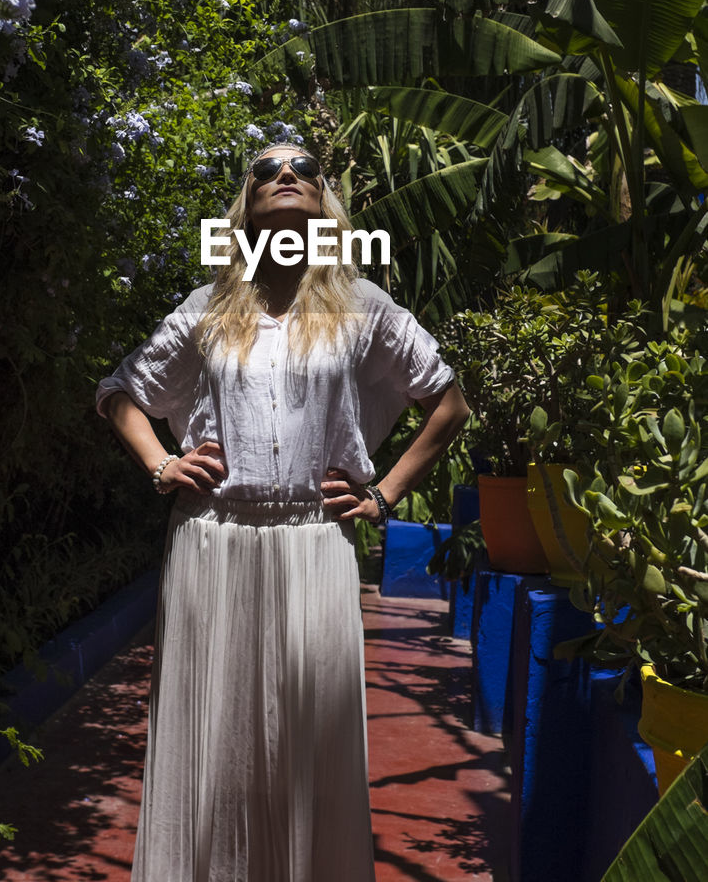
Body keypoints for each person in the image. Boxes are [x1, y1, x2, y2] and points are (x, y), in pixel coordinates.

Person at [96, 143, 470, 882]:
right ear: (246, 205)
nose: (284, 174)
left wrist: (383, 491)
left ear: (325, 206)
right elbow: (121, 391)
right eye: (264, 170)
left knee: (309, 748)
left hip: (313, 544)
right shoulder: (206, 310)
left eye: (301, 166)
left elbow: (448, 402)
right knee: (214, 739)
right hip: (212, 545)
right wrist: (161, 464)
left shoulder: (363, 307)